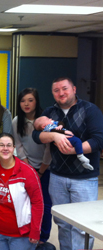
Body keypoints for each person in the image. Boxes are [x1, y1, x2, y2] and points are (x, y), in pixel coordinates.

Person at [32, 77, 103, 250]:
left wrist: (74, 151)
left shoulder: (90, 109)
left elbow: (99, 140)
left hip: (84, 179)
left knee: (82, 227)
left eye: (64, 88)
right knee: (62, 223)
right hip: (57, 177)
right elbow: (36, 135)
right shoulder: (49, 112)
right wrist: (55, 136)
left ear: (74, 89)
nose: (61, 93)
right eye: (56, 90)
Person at [11, 88, 53, 246]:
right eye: (23, 101)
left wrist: (41, 171)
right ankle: (28, 233)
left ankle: (43, 238)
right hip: (26, 168)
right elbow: (18, 146)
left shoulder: (45, 121)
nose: (26, 104)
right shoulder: (17, 121)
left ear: (37, 101)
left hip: (45, 168)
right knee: (25, 202)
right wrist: (30, 169)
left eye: (30, 100)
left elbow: (49, 148)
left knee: (45, 204)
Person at [0, 133, 43, 250]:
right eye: (1, 145)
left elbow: (38, 203)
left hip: (21, 235)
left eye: (9, 145)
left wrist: (35, 231)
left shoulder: (27, 172)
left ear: (14, 148)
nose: (5, 148)